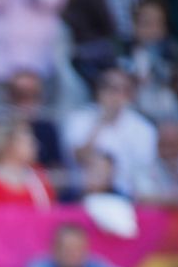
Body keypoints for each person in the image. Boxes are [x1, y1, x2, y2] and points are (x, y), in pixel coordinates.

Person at [62, 68, 159, 196]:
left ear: (131, 94)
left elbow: (143, 171)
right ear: (98, 91)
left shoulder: (144, 129)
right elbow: (78, 158)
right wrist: (100, 123)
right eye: (109, 88)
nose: (115, 95)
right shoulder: (78, 119)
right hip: (83, 194)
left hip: (128, 196)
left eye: (122, 89)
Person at [24, 222, 136, 267]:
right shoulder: (42, 264)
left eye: (78, 249)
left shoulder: (93, 264)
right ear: (55, 249)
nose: (73, 254)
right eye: (67, 249)